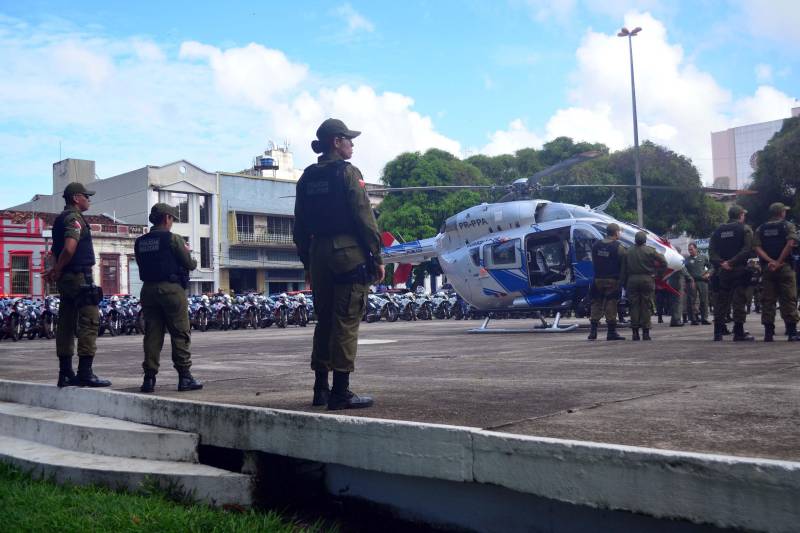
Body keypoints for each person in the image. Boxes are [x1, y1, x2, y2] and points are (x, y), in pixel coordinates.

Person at [293, 118, 384, 410]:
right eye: (348, 139)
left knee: (325, 321)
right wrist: (377, 256)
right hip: (347, 252)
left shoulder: (306, 177)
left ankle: (320, 389)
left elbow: (299, 226)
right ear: (336, 142)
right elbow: (364, 218)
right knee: (346, 320)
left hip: (317, 253)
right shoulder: (347, 173)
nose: (352, 144)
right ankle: (341, 392)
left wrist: (308, 262)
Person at [44, 182, 111, 388]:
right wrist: (57, 269)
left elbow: (53, 252)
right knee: (90, 321)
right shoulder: (74, 219)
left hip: (66, 279)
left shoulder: (59, 220)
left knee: (66, 322)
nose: (89, 199)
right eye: (86, 196)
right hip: (79, 278)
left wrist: (55, 269)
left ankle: (65, 373)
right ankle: (85, 372)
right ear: (76, 198)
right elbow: (70, 248)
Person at [134, 203, 202, 393]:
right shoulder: (173, 239)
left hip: (148, 290)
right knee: (180, 332)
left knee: (152, 334)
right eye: (172, 219)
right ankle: (185, 378)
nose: (172, 222)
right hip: (171, 289)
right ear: (166, 218)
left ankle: (149, 379)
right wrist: (190, 255)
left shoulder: (140, 242)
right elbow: (189, 263)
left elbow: (141, 264)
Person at [753, 202, 800, 341]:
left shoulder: (761, 229)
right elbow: (791, 243)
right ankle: (791, 332)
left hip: (768, 268)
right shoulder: (787, 226)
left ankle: (768, 333)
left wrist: (769, 261)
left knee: (768, 300)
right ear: (781, 213)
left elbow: (756, 247)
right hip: (784, 267)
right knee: (789, 298)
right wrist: (779, 262)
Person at [709, 205, 754, 341]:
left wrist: (723, 263)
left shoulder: (717, 231)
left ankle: (718, 332)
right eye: (743, 215)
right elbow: (747, 250)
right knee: (739, 300)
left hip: (722, 271)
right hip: (738, 269)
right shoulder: (745, 229)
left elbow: (711, 252)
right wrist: (732, 262)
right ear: (740, 215)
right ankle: (738, 332)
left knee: (721, 301)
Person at [622, 231, 666, 341]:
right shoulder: (650, 250)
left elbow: (623, 269)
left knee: (634, 306)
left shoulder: (628, 252)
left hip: (632, 280)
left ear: (635, 240)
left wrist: (623, 283)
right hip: (647, 279)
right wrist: (658, 274)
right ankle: (646, 332)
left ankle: (635, 333)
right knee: (646, 306)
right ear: (645, 240)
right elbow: (664, 262)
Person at [588, 222, 626, 341]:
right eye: (619, 231)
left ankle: (593, 331)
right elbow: (624, 265)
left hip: (598, 279)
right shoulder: (618, 247)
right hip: (612, 280)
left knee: (596, 303)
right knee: (611, 304)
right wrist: (622, 280)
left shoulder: (596, 245)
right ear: (616, 233)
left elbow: (594, 261)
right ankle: (611, 332)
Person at [685, 242, 711, 325]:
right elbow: (684, 271)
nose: (690, 251)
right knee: (691, 300)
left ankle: (704, 318)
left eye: (691, 249)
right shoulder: (687, 260)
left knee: (704, 300)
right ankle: (693, 319)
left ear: (696, 249)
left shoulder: (703, 257)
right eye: (689, 250)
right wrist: (689, 278)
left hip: (702, 281)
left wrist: (708, 273)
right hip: (692, 282)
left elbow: (711, 267)